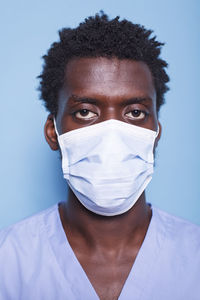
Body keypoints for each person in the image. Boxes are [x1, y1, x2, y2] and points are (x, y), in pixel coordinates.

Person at [0, 12, 199, 300]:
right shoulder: (9, 263)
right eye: (85, 112)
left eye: (135, 113)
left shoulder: (194, 257)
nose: (111, 135)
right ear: (53, 132)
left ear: (156, 132)